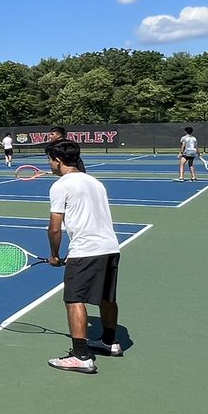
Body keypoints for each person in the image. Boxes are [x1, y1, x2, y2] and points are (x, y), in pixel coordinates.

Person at [44, 140, 123, 373]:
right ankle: (110, 342)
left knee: (74, 298)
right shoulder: (95, 182)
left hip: (86, 250)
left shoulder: (60, 185)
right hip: (110, 247)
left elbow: (55, 228)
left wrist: (54, 255)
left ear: (58, 161)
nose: (49, 164)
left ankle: (81, 356)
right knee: (107, 297)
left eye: (50, 160)